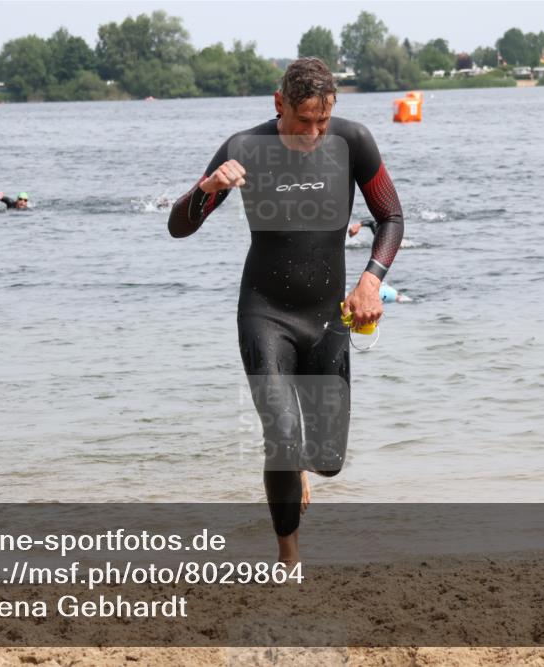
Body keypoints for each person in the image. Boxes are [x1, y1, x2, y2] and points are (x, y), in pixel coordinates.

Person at [167, 57, 403, 566]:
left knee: (326, 461)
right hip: (265, 312)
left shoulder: (353, 142)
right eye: (303, 122)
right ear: (280, 105)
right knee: (282, 433)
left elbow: (390, 218)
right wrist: (207, 190)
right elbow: (178, 227)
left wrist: (370, 281)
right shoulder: (243, 149)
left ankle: (301, 468)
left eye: (323, 120)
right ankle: (288, 558)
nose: (315, 133)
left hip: (327, 319)